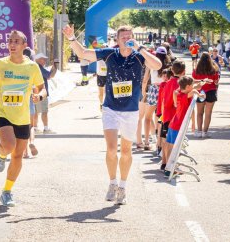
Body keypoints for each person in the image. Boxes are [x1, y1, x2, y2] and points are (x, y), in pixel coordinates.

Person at [63, 24, 161, 205]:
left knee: (125, 151)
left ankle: (123, 186)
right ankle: (112, 183)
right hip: (110, 108)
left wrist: (139, 48)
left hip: (131, 110)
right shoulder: (109, 54)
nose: (126, 39)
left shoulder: (140, 56)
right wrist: (71, 39)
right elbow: (84, 53)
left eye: (129, 36)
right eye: (123, 37)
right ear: (117, 40)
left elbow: (158, 64)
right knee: (110, 149)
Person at [0, 30, 46, 207]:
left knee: (17, 156)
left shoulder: (32, 67)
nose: (12, 44)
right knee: (9, 146)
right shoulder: (1, 64)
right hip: (2, 112)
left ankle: (7, 191)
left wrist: (40, 96)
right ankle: (0, 152)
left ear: (25, 46)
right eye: (10, 41)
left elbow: (42, 88)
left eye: (16, 41)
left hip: (22, 117)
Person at [165, 76, 204, 174]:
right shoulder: (183, 96)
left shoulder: (179, 93)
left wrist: (198, 85)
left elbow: (191, 90)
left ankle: (168, 167)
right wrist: (200, 95)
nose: (193, 87)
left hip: (173, 123)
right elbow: (194, 92)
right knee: (174, 148)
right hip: (177, 125)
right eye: (191, 85)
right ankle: (171, 168)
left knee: (169, 146)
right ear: (187, 87)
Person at [142, 46, 170, 150]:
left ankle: (146, 141)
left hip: (153, 90)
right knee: (161, 118)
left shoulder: (151, 64)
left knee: (147, 117)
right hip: (165, 91)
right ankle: (160, 142)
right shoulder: (169, 66)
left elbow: (145, 79)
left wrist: (144, 92)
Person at [160, 60, 186, 171]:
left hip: (166, 115)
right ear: (184, 71)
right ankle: (170, 165)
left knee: (166, 141)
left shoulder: (168, 82)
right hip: (174, 116)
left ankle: (164, 163)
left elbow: (163, 100)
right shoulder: (180, 84)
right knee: (173, 143)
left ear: (172, 70)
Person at [192, 52, 220, 138]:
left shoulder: (196, 70)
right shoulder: (214, 70)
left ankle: (199, 131)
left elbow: (193, 79)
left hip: (200, 92)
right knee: (208, 113)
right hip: (211, 92)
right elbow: (216, 81)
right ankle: (205, 132)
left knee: (199, 113)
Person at [33, 53, 58, 132]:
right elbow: (50, 76)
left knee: (35, 112)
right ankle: (46, 128)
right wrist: (55, 67)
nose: (45, 61)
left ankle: (35, 128)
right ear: (39, 59)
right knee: (44, 111)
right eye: (43, 59)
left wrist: (53, 68)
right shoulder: (39, 67)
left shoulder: (34, 66)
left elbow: (48, 75)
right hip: (41, 92)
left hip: (34, 91)